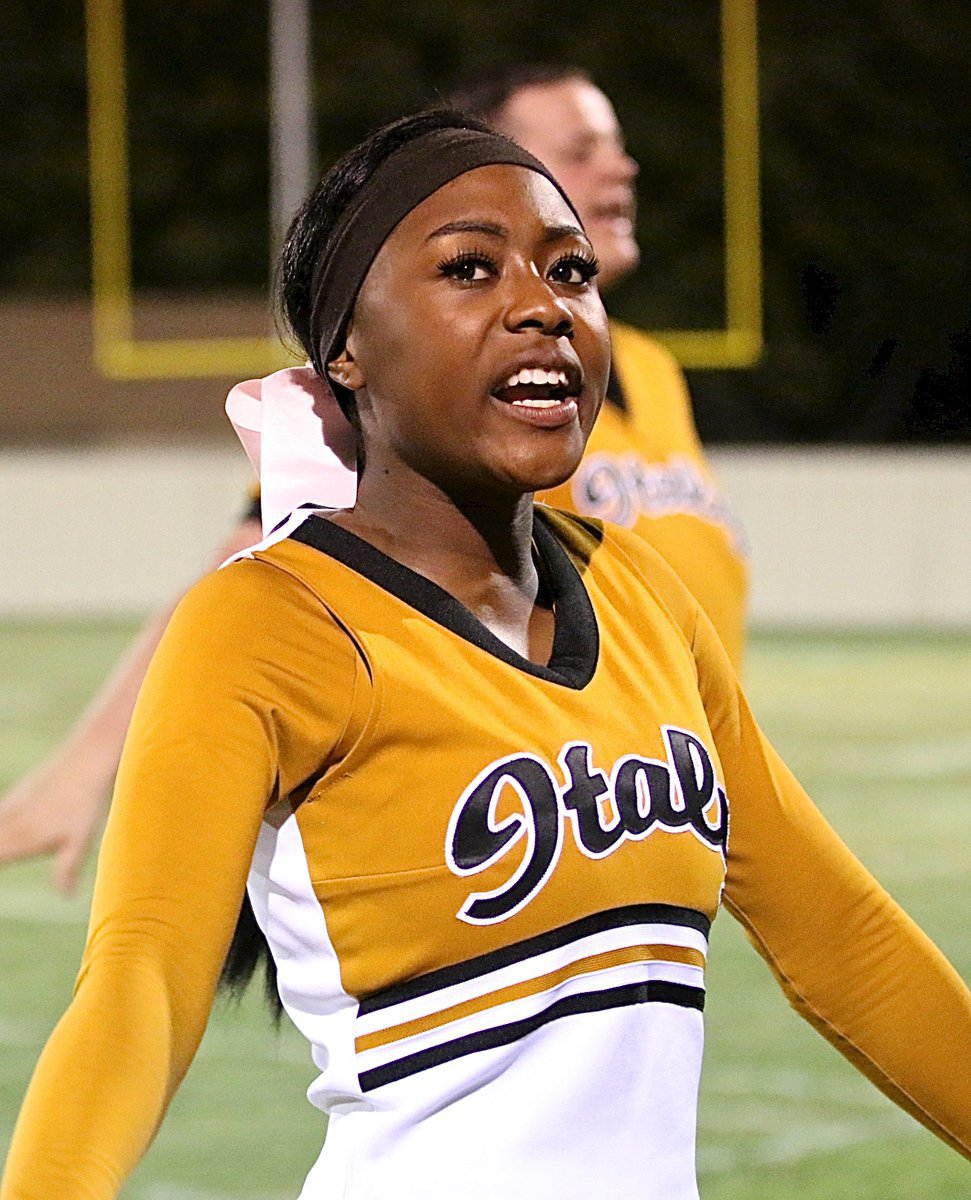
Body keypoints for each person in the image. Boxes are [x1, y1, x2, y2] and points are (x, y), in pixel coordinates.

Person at [2, 109, 969, 1200]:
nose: (543, 306)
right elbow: (139, 980)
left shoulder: (638, 592)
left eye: (569, 272)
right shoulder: (269, 621)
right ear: (345, 349)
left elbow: (842, 939)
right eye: (469, 268)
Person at [0, 63, 746, 894]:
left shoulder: (645, 371)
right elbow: (246, 578)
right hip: (496, 841)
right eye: (580, 151)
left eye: (615, 147)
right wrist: (84, 768)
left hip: (644, 804)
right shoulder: (438, 390)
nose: (620, 168)